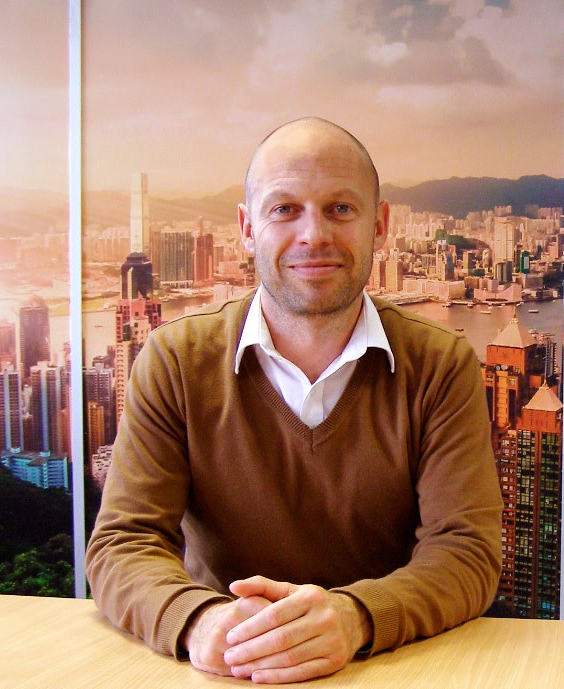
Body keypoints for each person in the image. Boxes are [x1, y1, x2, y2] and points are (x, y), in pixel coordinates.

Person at [85, 117, 503, 684]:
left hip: (391, 669)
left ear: (380, 226)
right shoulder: (176, 361)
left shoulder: (439, 364)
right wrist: (202, 623)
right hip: (225, 671)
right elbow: (123, 544)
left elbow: (466, 551)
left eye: (340, 209)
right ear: (247, 228)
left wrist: (356, 618)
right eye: (284, 209)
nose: (313, 235)